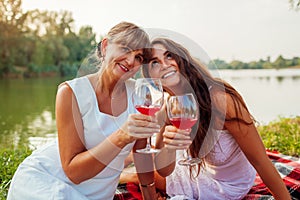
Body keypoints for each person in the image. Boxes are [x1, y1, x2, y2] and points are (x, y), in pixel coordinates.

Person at [7, 21, 161, 200]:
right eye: (125, 49)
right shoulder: (71, 93)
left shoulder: (140, 94)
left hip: (98, 194)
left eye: (139, 57)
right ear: (105, 47)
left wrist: (150, 196)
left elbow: (142, 154)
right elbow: (74, 172)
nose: (130, 61)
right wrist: (121, 136)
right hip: (46, 181)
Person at [140, 37, 291, 199]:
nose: (164, 64)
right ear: (150, 77)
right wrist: (169, 147)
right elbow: (164, 170)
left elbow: (260, 160)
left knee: (143, 174)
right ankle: (123, 171)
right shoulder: (169, 107)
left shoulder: (220, 100)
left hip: (230, 184)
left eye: (169, 55)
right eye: (154, 63)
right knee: (147, 169)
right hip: (201, 172)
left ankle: (123, 174)